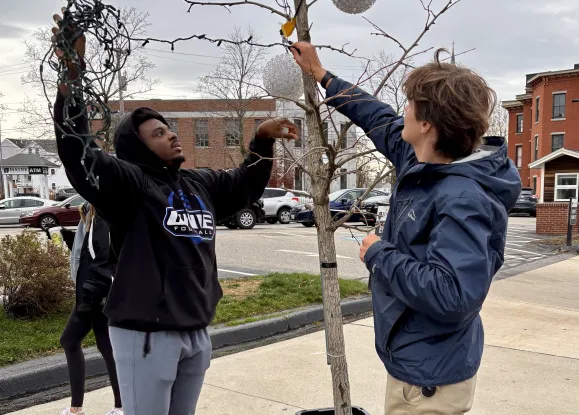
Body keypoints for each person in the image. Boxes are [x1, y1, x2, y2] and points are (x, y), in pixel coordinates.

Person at [51, 11, 299, 415]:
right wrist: (71, 81)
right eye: (158, 133)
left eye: (169, 128)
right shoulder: (129, 185)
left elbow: (243, 185)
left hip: (196, 331)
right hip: (145, 336)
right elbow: (80, 154)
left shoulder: (197, 183)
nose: (171, 134)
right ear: (138, 147)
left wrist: (260, 140)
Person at [290, 42, 521, 414]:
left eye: (410, 105)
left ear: (426, 124)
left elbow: (454, 296)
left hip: (432, 382)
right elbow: (376, 116)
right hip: (416, 360)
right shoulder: (423, 158)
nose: (403, 112)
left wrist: (379, 255)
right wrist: (323, 76)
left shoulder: (463, 197)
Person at [47, 203, 122, 415]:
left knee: (71, 341)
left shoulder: (103, 215)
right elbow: (89, 253)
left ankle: (80, 409)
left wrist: (88, 297)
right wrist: (66, 237)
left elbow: (104, 259)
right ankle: (118, 407)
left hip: (95, 295)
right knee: (105, 347)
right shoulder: (91, 212)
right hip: (93, 294)